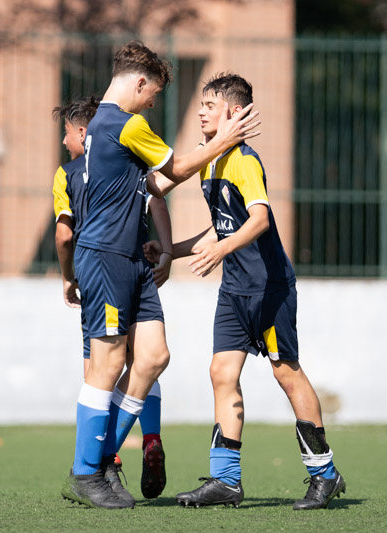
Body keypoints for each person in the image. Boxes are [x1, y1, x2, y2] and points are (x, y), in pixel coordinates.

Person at [61, 41, 260, 510]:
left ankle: (101, 459)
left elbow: (153, 183)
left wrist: (167, 248)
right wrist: (223, 140)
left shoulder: (103, 126)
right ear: (139, 83)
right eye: (153, 94)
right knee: (108, 364)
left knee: (152, 357)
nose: (153, 103)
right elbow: (177, 168)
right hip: (107, 257)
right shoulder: (125, 122)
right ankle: (86, 472)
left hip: (132, 259)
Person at [144, 73, 345, 510]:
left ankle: (324, 473)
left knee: (286, 373)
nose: (201, 112)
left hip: (268, 289)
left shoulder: (244, 161)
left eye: (210, 105)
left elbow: (259, 220)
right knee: (221, 372)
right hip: (234, 291)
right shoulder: (210, 161)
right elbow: (222, 226)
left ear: (234, 113)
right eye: (201, 105)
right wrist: (171, 251)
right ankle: (226, 480)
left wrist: (220, 249)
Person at [51, 96, 172, 501]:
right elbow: (158, 197)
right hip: (139, 266)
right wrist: (167, 250)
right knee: (145, 361)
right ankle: (147, 438)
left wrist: (68, 277)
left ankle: (98, 466)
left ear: (83, 132)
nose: (64, 142)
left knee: (100, 370)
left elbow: (64, 234)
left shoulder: (67, 173)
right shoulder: (131, 161)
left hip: (102, 271)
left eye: (66, 133)